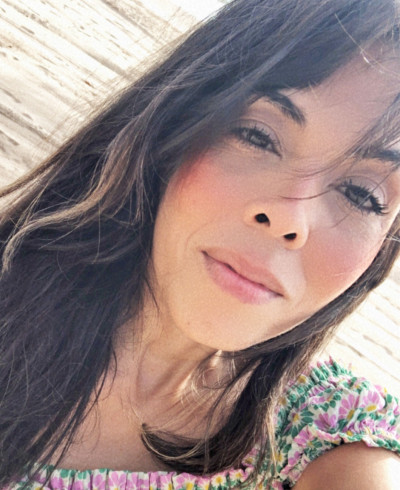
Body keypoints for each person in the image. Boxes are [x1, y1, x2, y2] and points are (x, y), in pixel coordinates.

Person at [0, 0, 399, 488]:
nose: (289, 218)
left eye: (362, 195)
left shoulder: (330, 433)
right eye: (257, 136)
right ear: (175, 123)